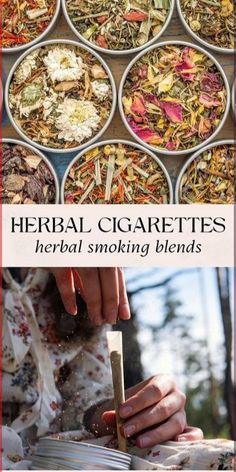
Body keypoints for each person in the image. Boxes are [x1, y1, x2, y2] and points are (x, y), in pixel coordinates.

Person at [2, 268, 234, 470]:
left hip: (62, 451)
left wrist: (132, 414)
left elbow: (82, 397)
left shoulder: (84, 279)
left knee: (222, 460)